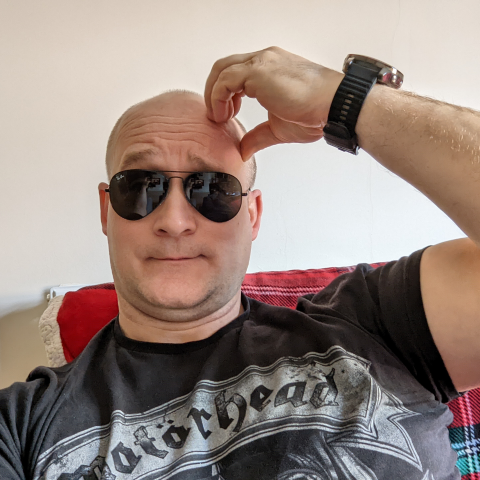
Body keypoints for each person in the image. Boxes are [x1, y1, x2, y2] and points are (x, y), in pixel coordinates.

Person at [1, 46, 480, 480]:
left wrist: (346, 99)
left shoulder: (378, 323)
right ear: (107, 211)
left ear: (252, 215)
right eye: (141, 187)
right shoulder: (20, 428)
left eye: (213, 189)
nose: (174, 221)